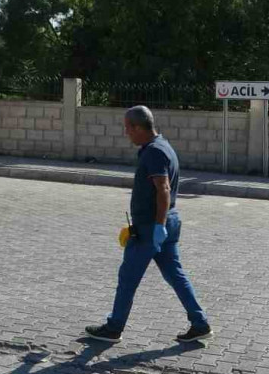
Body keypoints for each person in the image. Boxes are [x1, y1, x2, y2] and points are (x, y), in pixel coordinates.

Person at [85, 106, 212, 344]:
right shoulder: (163, 146)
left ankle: (113, 328)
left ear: (138, 127)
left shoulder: (153, 152)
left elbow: (162, 189)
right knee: (175, 275)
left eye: (127, 128)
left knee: (128, 277)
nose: (126, 133)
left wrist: (157, 225)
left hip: (151, 226)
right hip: (168, 222)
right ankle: (200, 322)